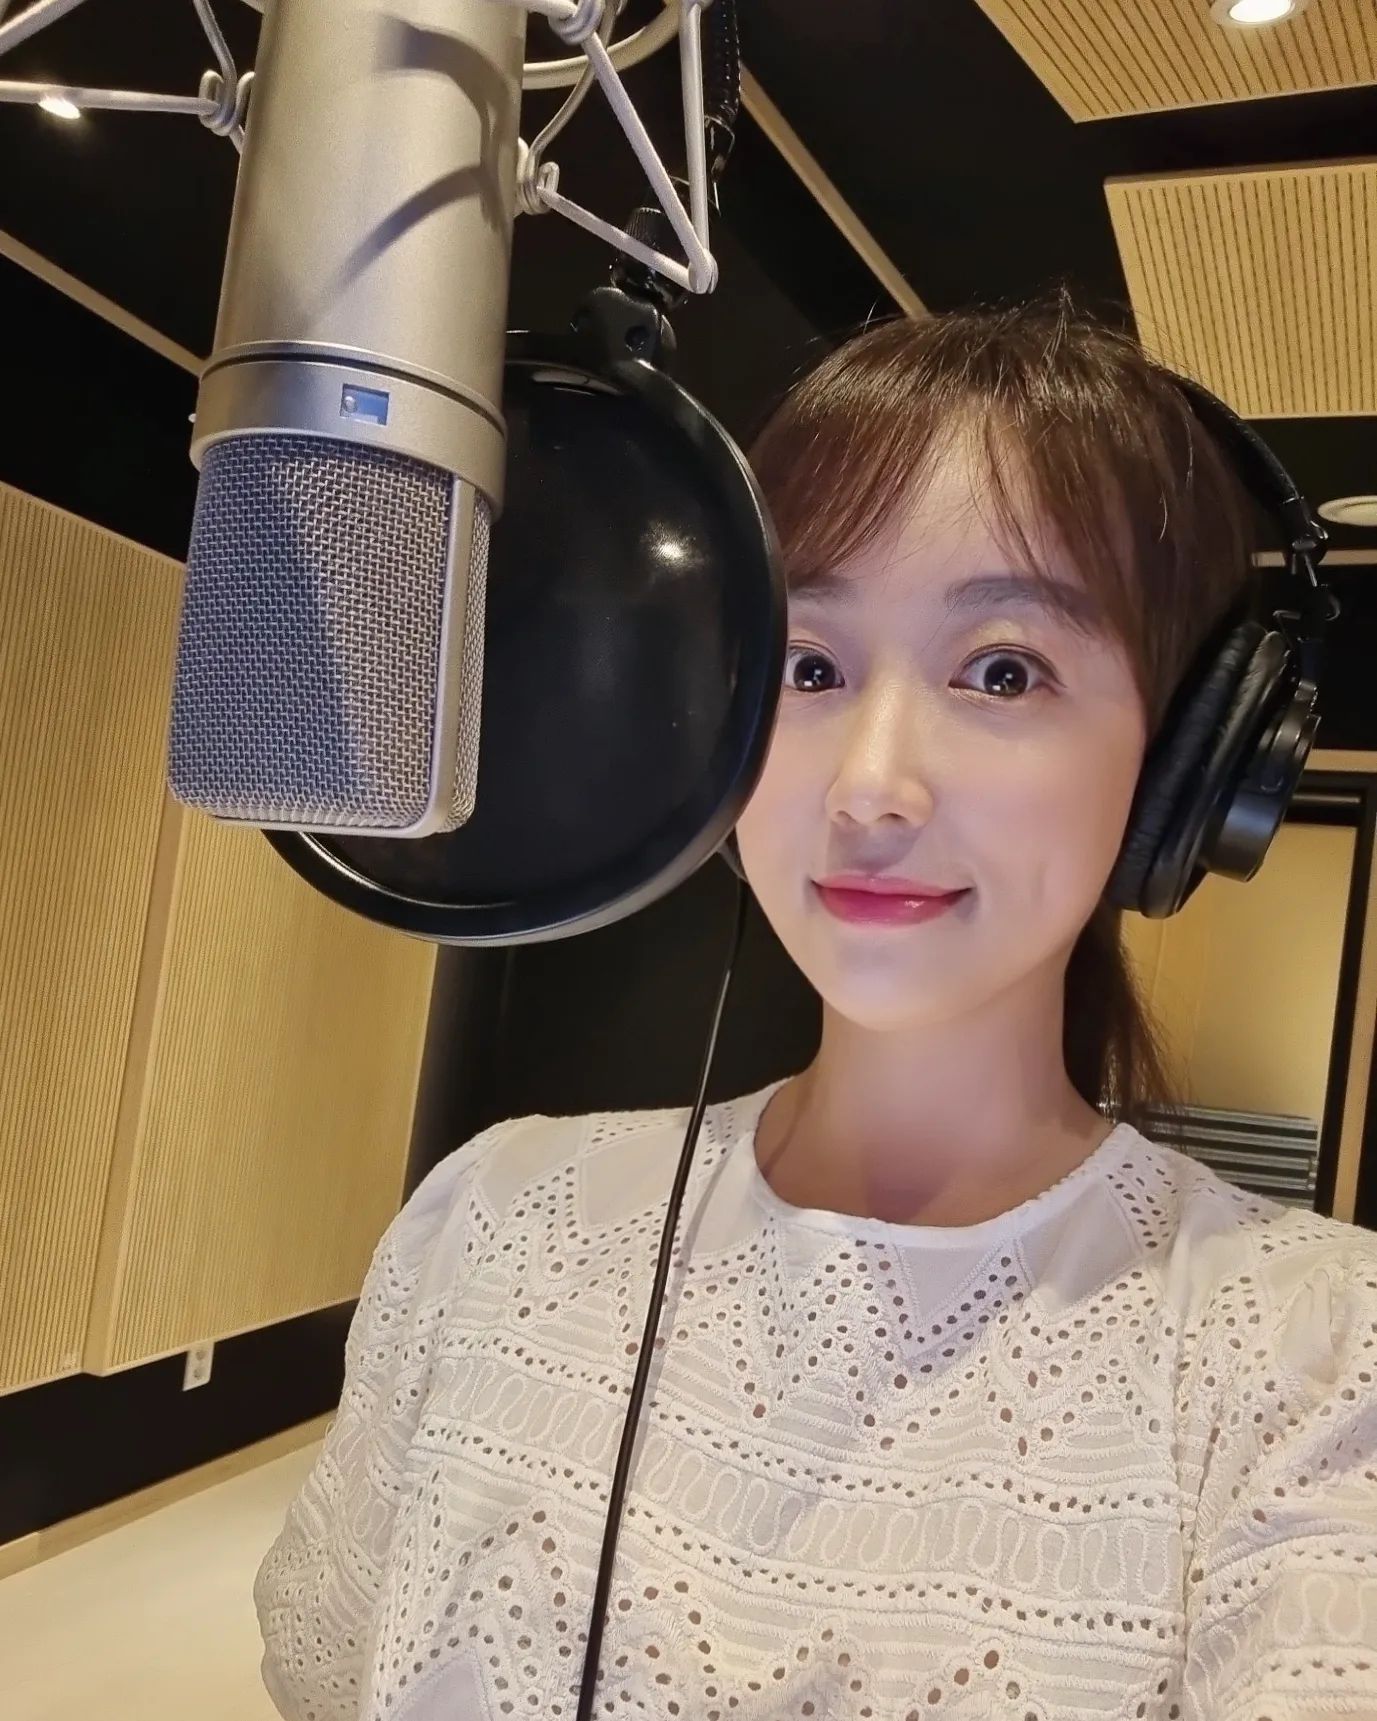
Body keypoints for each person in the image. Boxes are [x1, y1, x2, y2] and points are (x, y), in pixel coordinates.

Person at [253, 299, 1377, 1721]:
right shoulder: (495, 1218)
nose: (870, 788)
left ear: (1182, 768)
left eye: (1002, 670)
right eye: (808, 666)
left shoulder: (1313, 1357)